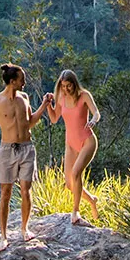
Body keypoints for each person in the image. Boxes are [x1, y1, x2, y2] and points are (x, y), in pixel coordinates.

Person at [0, 62, 45, 241]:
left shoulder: (24, 98)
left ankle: (24, 229)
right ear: (12, 81)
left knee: (26, 190)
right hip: (7, 150)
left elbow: (30, 122)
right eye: (21, 79)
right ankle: (3, 236)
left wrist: (43, 105)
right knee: (6, 192)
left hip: (26, 147)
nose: (24, 82)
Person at [40, 69, 102, 223]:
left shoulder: (84, 95)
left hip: (87, 141)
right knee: (69, 184)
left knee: (75, 175)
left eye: (69, 86)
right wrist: (48, 104)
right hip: (71, 144)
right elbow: (54, 119)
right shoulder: (61, 97)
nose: (66, 89)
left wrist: (93, 121)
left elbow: (96, 113)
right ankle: (92, 200)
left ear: (74, 84)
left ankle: (76, 212)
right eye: (63, 86)